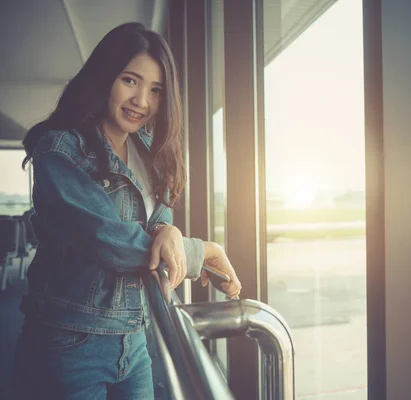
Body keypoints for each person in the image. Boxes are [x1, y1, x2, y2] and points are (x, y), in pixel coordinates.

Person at [12, 22, 241, 399]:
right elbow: (109, 241)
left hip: (134, 340)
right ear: (105, 77)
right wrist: (204, 251)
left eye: (156, 90)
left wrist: (171, 233)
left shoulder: (149, 152)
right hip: (70, 341)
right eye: (130, 81)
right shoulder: (60, 150)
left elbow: (157, 226)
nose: (142, 101)